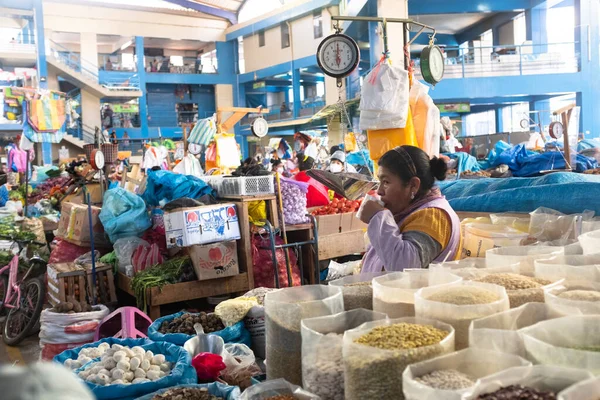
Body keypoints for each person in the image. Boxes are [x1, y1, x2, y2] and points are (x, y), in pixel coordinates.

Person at [359, 145, 461, 272]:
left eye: (386, 182)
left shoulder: (433, 216)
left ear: (413, 185)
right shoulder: (410, 211)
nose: (379, 191)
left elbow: (403, 268)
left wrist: (378, 217)